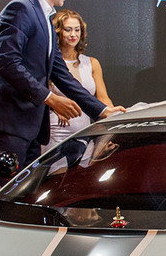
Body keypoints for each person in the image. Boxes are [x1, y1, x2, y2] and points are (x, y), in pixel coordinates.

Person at [0, 0, 124, 171]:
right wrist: (50, 98)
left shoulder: (46, 18)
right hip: (11, 122)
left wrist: (102, 110)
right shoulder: (20, 9)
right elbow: (7, 63)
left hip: (32, 126)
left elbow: (61, 73)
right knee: (5, 187)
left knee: (27, 189)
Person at [42, 9, 114, 157]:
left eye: (77, 30)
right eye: (68, 30)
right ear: (58, 32)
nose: (73, 35)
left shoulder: (92, 63)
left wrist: (113, 117)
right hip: (56, 131)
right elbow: (38, 95)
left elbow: (103, 99)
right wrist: (54, 107)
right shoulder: (48, 63)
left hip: (84, 132)